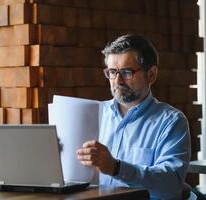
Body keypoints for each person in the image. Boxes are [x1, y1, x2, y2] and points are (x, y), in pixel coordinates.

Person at [76, 34, 191, 199]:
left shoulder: (171, 121)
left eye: (126, 72)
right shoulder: (94, 113)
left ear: (151, 75)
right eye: (112, 72)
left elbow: (171, 184)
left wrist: (117, 168)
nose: (117, 80)